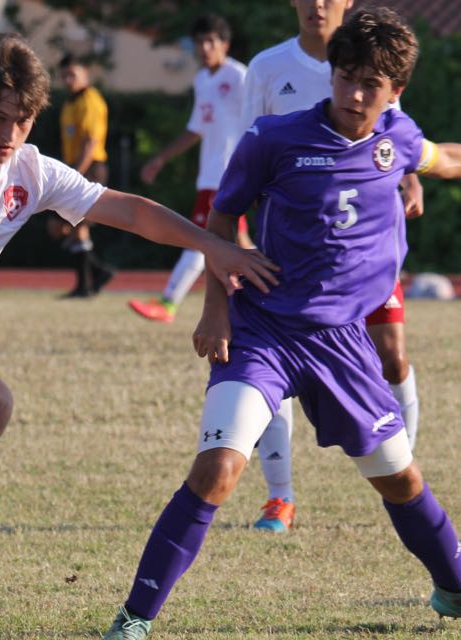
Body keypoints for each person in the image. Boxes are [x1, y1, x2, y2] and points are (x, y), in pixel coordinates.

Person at [0, 32, 275, 619]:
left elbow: (129, 210)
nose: (9, 134)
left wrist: (210, 244)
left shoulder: (31, 172)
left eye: (23, 120)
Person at [102, 8, 461, 638]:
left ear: (395, 93)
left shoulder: (398, 139)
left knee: (402, 481)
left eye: (369, 85)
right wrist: (216, 308)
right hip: (263, 329)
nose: (353, 94)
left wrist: (423, 173)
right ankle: (135, 618)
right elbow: (220, 219)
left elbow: (443, 159)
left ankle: (454, 589)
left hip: (345, 343)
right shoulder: (273, 138)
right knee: (216, 470)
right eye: (345, 77)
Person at [240, 0, 423, 533]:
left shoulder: (376, 57)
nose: (318, 4)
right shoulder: (268, 68)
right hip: (291, 255)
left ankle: (401, 472)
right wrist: (243, 240)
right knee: (271, 369)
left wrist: (409, 178)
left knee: (392, 355)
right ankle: (280, 496)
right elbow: (251, 152)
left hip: (367, 252)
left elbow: (402, 138)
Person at [128, 13, 250, 324]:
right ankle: (277, 298)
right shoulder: (202, 81)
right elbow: (195, 128)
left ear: (225, 44)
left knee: (201, 241)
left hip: (228, 176)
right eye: (199, 42)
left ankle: (168, 303)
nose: (205, 48)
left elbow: (260, 118)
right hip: (209, 177)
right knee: (240, 246)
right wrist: (160, 159)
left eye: (211, 41)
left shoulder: (240, 76)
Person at [47, 53, 115, 298]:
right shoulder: (70, 103)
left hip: (89, 166)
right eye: (64, 75)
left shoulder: (90, 101)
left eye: (73, 74)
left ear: (86, 74)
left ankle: (86, 283)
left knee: (76, 225)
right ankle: (96, 273)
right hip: (74, 165)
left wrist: (75, 174)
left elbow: (90, 142)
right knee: (64, 227)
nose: (68, 80)